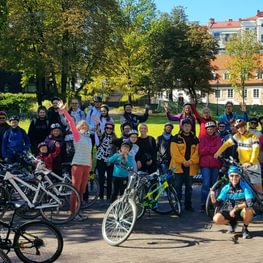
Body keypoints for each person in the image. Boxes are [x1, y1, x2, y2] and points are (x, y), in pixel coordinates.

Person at [58, 101, 92, 215]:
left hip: (86, 165)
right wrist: (64, 112)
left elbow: (90, 153)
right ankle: (72, 212)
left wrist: (91, 165)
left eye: (85, 126)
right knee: (75, 189)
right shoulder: (77, 135)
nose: (84, 127)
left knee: (82, 190)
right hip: (77, 164)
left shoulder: (89, 138)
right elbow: (71, 121)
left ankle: (78, 210)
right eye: (82, 125)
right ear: (78, 127)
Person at [214, 119, 262, 193]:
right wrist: (218, 153)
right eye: (238, 127)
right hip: (242, 166)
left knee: (257, 187)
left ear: (245, 126)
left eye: (242, 126)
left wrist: (251, 162)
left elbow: (255, 150)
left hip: (253, 166)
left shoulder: (253, 136)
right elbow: (226, 144)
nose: (240, 128)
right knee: (244, 187)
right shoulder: (237, 136)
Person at [210, 165, 254, 239]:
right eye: (232, 176)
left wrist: (235, 208)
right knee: (216, 219)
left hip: (241, 210)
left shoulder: (245, 186)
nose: (234, 178)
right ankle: (232, 223)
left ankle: (245, 229)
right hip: (229, 209)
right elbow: (218, 204)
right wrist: (213, 198)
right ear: (228, 176)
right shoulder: (226, 188)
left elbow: (250, 202)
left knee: (249, 210)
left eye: (237, 176)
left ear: (240, 176)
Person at [170, 118, 199, 212]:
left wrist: (190, 162)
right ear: (182, 126)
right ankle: (177, 205)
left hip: (190, 166)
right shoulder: (176, 138)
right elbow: (174, 153)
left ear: (191, 127)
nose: (187, 128)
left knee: (189, 187)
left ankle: (188, 205)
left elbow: (197, 153)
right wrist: (183, 161)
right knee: (177, 186)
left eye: (189, 126)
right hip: (178, 166)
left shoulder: (195, 139)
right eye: (185, 126)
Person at [198, 121, 222, 212]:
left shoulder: (218, 138)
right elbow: (201, 151)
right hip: (205, 165)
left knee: (213, 185)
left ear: (214, 129)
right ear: (206, 130)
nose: (210, 131)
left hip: (215, 164)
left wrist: (207, 149)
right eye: (208, 129)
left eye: (211, 129)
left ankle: (212, 203)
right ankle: (203, 204)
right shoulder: (203, 138)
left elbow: (218, 149)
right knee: (206, 184)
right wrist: (211, 150)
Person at [95, 121, 117, 201]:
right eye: (107, 128)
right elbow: (97, 133)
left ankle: (108, 196)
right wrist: (97, 124)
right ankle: (100, 196)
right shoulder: (102, 135)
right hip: (101, 159)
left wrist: (111, 160)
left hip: (110, 160)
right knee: (101, 178)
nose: (109, 129)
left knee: (109, 179)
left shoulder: (115, 138)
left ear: (113, 129)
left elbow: (117, 149)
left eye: (110, 128)